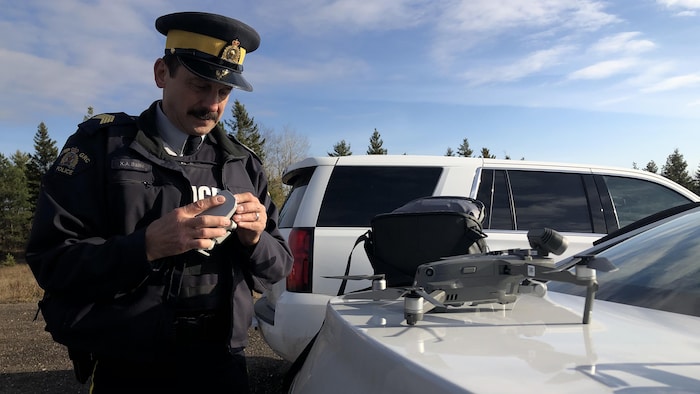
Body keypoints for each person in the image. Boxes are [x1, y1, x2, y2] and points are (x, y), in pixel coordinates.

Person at [25, 11, 293, 393]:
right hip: (131, 364)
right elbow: (51, 261)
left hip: (222, 363)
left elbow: (278, 266)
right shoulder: (101, 149)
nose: (212, 105)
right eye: (200, 85)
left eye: (223, 92)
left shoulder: (242, 164)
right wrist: (146, 246)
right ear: (162, 74)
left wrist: (255, 240)